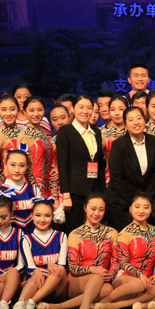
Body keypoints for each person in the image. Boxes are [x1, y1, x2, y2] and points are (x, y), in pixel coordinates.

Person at [37, 194, 117, 309]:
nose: (97, 213)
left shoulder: (112, 233)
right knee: (98, 275)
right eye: (93, 209)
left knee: (108, 289)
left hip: (102, 279)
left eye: (101, 210)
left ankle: (57, 307)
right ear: (85, 208)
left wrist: (111, 274)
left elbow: (116, 261)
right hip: (77, 281)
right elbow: (73, 267)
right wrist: (92, 269)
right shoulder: (75, 235)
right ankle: (85, 306)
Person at [93, 194, 155, 309]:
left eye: (146, 207)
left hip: (149, 278)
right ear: (130, 209)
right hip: (127, 277)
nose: (141, 211)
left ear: (151, 209)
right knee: (139, 285)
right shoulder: (124, 234)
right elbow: (123, 262)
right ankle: (105, 301)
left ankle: (117, 305)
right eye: (137, 207)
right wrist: (140, 276)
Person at [56, 94, 106, 233]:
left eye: (89, 108)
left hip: (94, 190)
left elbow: (99, 163)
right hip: (74, 192)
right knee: (75, 230)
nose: (85, 111)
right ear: (72, 108)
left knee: (93, 230)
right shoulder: (65, 131)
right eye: (81, 107)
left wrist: (102, 193)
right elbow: (62, 164)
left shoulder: (96, 132)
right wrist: (66, 195)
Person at [106, 107, 155, 231]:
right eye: (131, 120)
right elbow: (116, 178)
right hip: (121, 202)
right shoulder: (118, 145)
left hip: (146, 200)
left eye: (139, 118)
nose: (136, 122)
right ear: (125, 125)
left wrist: (146, 199)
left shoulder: (154, 142)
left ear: (145, 121)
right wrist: (133, 203)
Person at [15, 199, 68, 309]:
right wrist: (36, 270)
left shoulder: (61, 236)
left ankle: (31, 303)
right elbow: (30, 267)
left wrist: (51, 265)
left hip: (56, 289)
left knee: (59, 270)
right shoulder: (26, 239)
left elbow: (62, 265)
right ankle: (20, 304)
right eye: (38, 215)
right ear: (32, 216)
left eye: (47, 215)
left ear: (53, 217)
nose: (42, 220)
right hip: (36, 285)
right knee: (35, 276)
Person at [10, 97, 56, 200]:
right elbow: (23, 164)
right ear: (25, 112)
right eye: (31, 110)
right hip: (34, 188)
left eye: (40, 110)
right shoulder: (24, 136)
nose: (36, 114)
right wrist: (36, 189)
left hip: (48, 186)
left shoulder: (43, 133)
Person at [0, 149, 39, 233]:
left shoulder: (34, 190)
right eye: (13, 165)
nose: (17, 170)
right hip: (9, 239)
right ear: (5, 165)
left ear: (27, 166)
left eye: (22, 165)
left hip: (31, 238)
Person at [0, 95, 20, 184]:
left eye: (12, 109)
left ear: (18, 109)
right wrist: (5, 181)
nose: (8, 113)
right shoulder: (0, 134)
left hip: (24, 181)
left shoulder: (21, 131)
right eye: (4, 110)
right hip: (9, 183)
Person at [101, 96, 128, 183]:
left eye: (121, 109)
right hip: (109, 179)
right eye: (113, 110)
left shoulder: (134, 133)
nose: (117, 113)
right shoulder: (102, 134)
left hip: (132, 179)